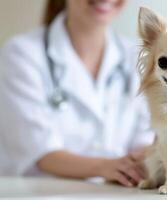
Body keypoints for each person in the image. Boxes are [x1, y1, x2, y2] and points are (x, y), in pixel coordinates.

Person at [0, 0, 153, 187]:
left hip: (117, 192)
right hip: (42, 192)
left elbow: (145, 137)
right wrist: (106, 167)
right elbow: (39, 150)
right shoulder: (22, 53)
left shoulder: (137, 56)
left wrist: (145, 158)